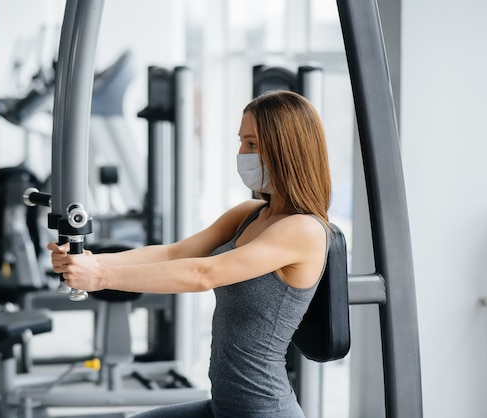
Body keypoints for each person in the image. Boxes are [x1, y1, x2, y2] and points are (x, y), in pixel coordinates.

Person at [48, 90, 332, 418]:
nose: (241, 153)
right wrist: (89, 260)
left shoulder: (304, 230)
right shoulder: (252, 213)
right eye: (241, 142)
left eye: (252, 145)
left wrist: (99, 277)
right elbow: (175, 253)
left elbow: (203, 274)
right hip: (223, 408)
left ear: (287, 149)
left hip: (263, 411)